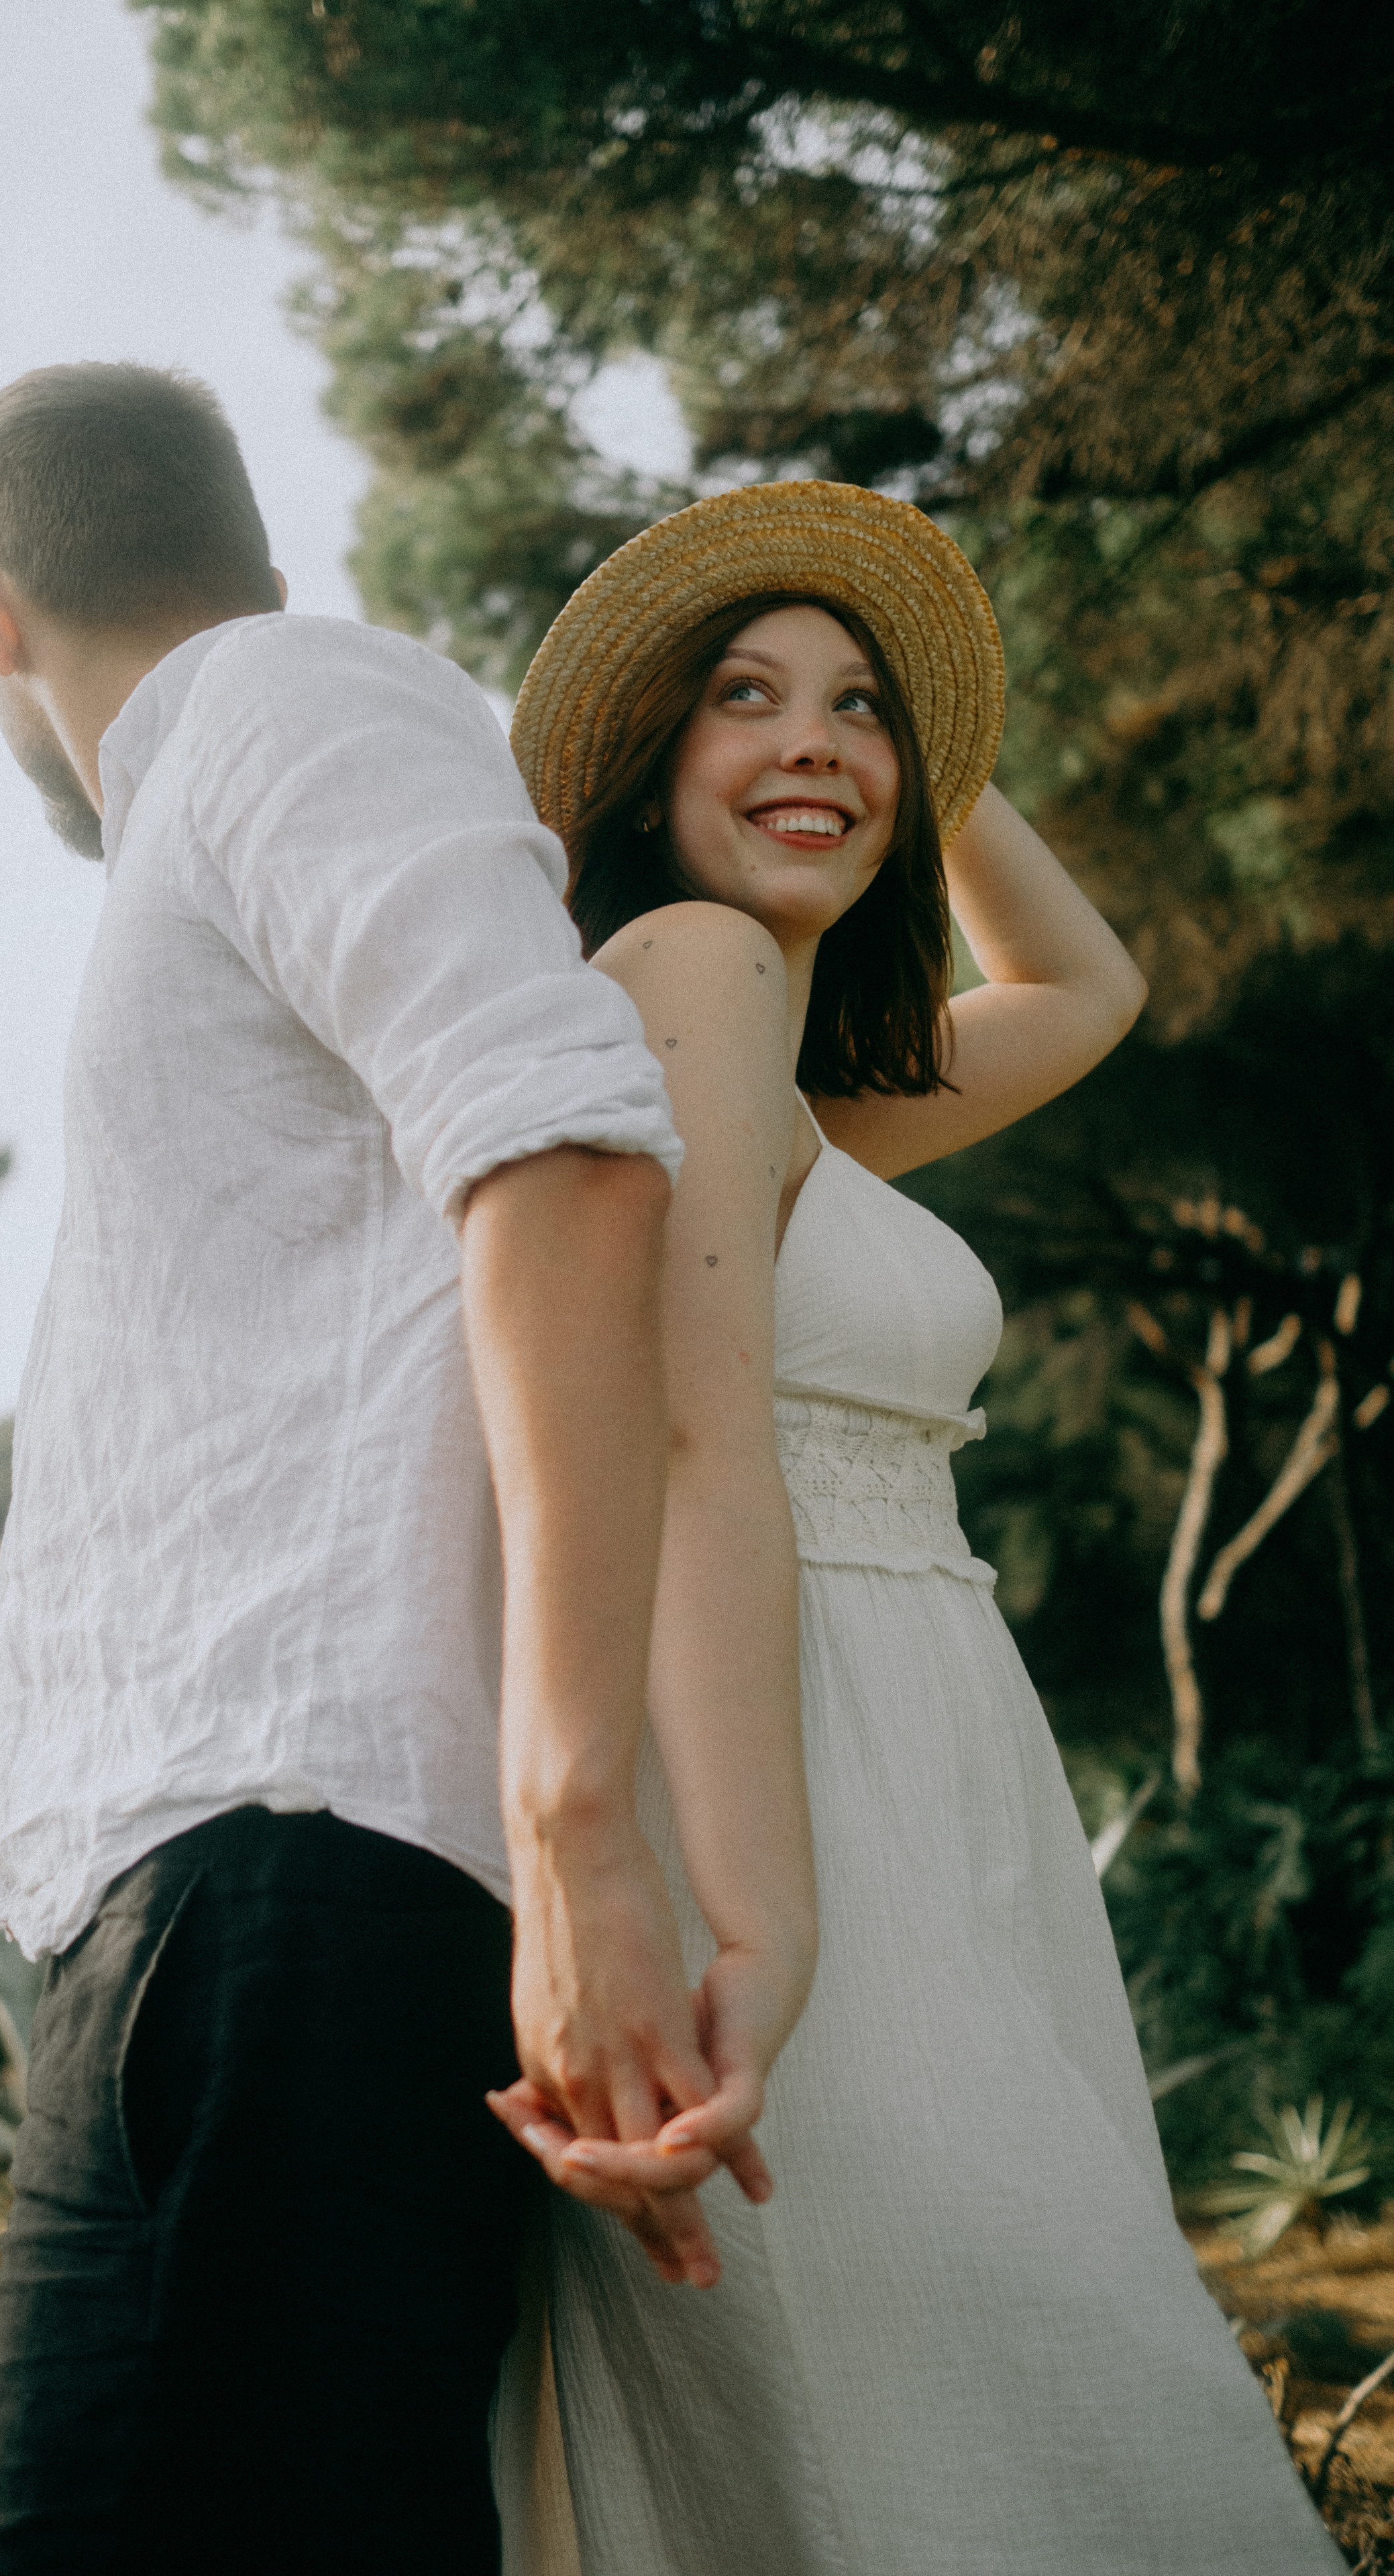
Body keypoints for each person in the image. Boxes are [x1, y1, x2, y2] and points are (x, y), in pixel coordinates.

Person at [0, 364, 806, 2575]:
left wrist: (573, 1828)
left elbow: (568, 1154)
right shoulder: (260, 736)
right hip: (202, 1912)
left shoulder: (277, 710)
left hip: (286, 1896)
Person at [487, 481, 1345, 2573]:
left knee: (989, 2384)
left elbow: (1088, 982)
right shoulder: (682, 966)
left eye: (859, 709)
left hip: (921, 1783)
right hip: (789, 1793)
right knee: (983, 2374)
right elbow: (700, 1456)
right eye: (744, 700)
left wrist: (920, 740)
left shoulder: (791, 1074)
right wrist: (767, 1929)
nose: (817, 743)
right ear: (639, 767)